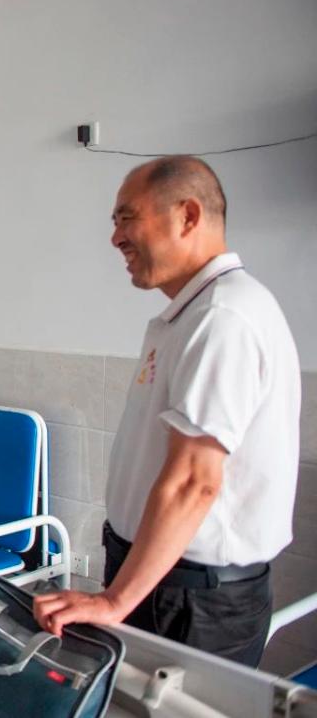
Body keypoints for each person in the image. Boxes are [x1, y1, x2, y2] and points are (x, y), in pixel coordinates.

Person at [33, 156, 300, 667]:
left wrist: (116, 599)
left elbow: (194, 481)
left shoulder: (224, 316)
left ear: (188, 216)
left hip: (192, 600)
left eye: (127, 218)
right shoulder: (193, 315)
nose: (116, 238)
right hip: (159, 581)